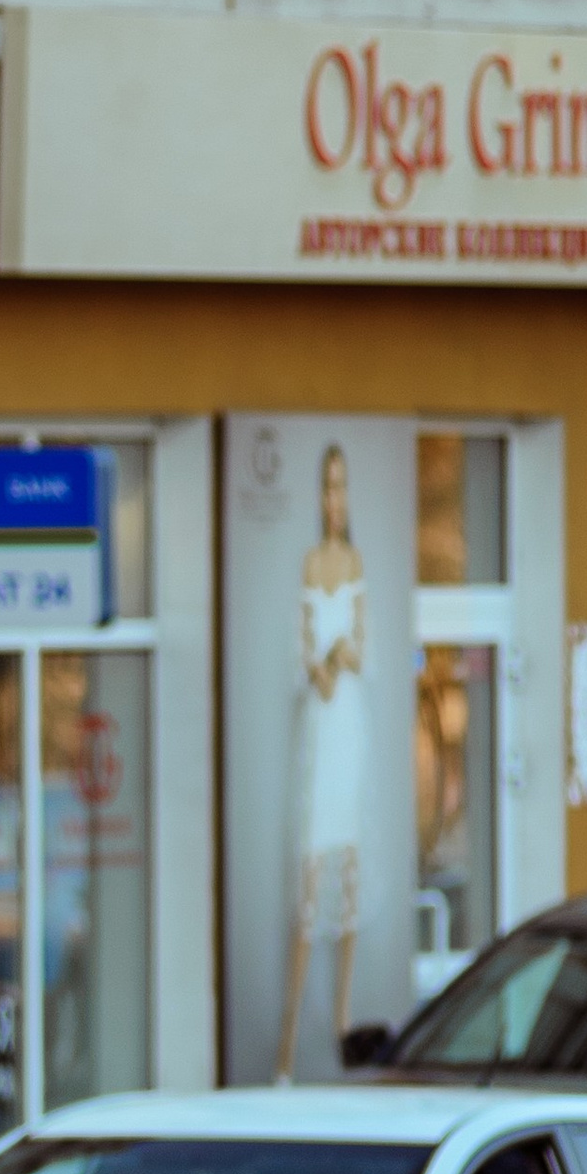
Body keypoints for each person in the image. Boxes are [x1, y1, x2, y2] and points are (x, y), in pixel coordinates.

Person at [275, 442, 368, 1084]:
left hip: (349, 725)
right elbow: (301, 650)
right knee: (310, 885)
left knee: (349, 879)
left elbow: (360, 648)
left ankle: (341, 1027)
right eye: (326, 487)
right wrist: (323, 664)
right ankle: (285, 1044)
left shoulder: (355, 562)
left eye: (342, 486)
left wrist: (336, 658)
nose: (334, 499)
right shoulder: (309, 563)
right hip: (318, 725)